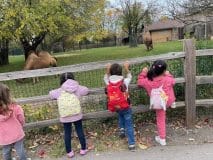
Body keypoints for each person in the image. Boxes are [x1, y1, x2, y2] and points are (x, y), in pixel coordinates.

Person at [49, 72, 89, 158]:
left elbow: (51, 94)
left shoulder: (60, 90)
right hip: (76, 114)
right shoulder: (77, 88)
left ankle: (69, 151)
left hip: (65, 116)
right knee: (79, 130)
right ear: (73, 79)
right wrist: (77, 85)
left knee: (67, 133)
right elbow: (86, 90)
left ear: (61, 81)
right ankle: (83, 149)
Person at [137, 60, 176, 146]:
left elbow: (139, 82)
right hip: (167, 101)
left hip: (158, 104)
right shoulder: (167, 78)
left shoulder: (147, 81)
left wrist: (143, 72)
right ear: (164, 70)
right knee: (170, 88)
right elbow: (173, 82)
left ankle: (162, 139)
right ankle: (173, 102)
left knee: (160, 119)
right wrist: (168, 74)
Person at [104, 62, 135, 151]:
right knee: (129, 124)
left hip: (115, 106)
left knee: (120, 115)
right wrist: (126, 68)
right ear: (120, 72)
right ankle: (131, 144)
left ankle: (121, 129)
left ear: (110, 72)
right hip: (125, 106)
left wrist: (107, 69)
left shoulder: (108, 82)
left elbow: (105, 77)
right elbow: (130, 76)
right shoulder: (124, 81)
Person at [0, 83, 27, 160]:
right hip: (17, 133)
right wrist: (21, 125)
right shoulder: (16, 107)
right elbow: (21, 118)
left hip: (3, 136)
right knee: (20, 149)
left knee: (6, 151)